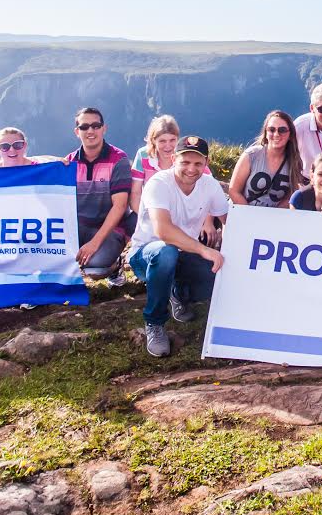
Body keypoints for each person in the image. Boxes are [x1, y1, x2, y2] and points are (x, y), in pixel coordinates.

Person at [127, 136, 229, 357]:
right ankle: (154, 322)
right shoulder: (158, 183)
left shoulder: (209, 185)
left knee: (218, 277)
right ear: (174, 159)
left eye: (198, 163)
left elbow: (228, 218)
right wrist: (205, 250)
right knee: (166, 253)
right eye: (185, 162)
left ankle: (177, 292)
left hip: (184, 254)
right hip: (146, 254)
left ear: (206, 163)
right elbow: (163, 231)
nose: (191, 169)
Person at [62, 107, 133, 286]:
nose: (90, 131)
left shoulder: (118, 159)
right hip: (79, 226)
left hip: (110, 227)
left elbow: (120, 206)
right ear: (77, 132)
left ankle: (114, 264)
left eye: (96, 125)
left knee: (95, 270)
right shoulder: (69, 162)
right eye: (84, 127)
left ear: (104, 128)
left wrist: (94, 243)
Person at [229, 110, 303, 208]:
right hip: (243, 211)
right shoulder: (251, 155)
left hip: (272, 218)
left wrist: (273, 216)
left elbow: (290, 196)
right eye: (272, 129)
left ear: (290, 134)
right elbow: (234, 191)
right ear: (266, 133)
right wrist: (249, 215)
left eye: (282, 130)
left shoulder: (294, 161)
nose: (276, 134)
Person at [129, 115, 180, 214]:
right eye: (162, 141)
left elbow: (208, 187)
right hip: (148, 211)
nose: (168, 146)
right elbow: (135, 193)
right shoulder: (143, 155)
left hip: (179, 213)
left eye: (172, 140)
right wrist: (147, 219)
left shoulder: (185, 156)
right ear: (153, 140)